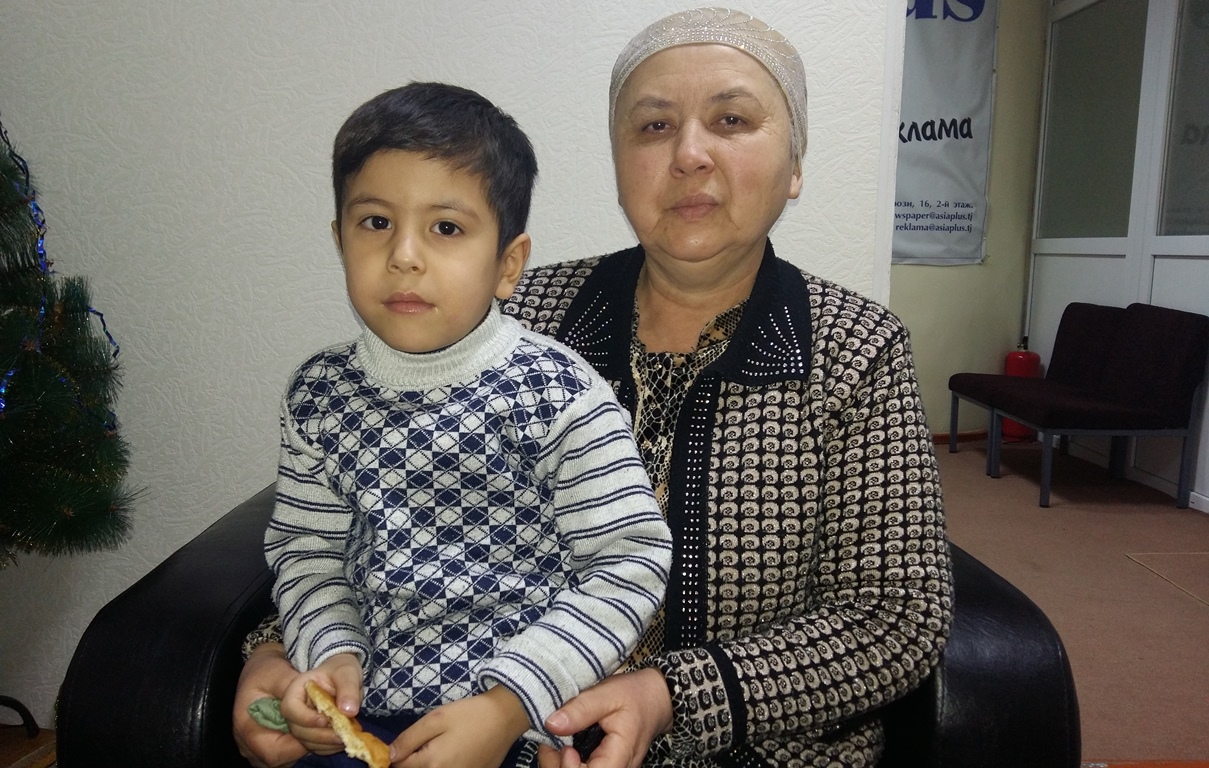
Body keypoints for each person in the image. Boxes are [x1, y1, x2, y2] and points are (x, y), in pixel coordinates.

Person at [235, 9, 953, 768]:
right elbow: (379, 522)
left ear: (795, 163)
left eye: (731, 120)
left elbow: (896, 619)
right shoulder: (512, 312)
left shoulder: (855, 349)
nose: (689, 155)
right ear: (617, 162)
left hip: (752, 753)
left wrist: (671, 695)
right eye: (653, 126)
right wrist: (279, 656)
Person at [261, 81, 673, 768]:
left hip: (517, 723)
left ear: (508, 265)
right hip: (362, 720)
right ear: (339, 240)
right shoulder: (318, 396)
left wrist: (509, 704)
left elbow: (628, 562)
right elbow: (307, 554)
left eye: (445, 228)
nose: (404, 255)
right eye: (375, 222)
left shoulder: (558, 392)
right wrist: (328, 655)